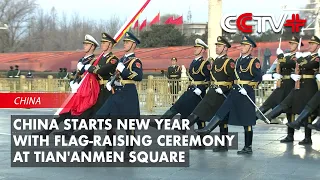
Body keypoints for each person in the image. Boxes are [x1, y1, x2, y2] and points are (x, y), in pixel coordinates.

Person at [195, 35, 262, 155]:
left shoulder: (253, 61)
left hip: (246, 94)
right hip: (235, 91)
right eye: (242, 45)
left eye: (245, 45)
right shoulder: (237, 61)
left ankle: (248, 146)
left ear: (250, 47)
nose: (242, 47)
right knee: (222, 112)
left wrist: (247, 88)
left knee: (247, 121)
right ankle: (208, 129)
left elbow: (258, 78)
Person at [32, 34, 100, 140]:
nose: (84, 46)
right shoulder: (82, 59)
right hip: (78, 89)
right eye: (84, 44)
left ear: (92, 47)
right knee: (66, 112)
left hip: (85, 92)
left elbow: (91, 75)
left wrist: (83, 72)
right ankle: (50, 131)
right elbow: (78, 74)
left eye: (87, 44)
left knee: (74, 113)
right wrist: (75, 81)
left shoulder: (94, 60)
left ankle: (62, 131)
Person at [150, 38, 210, 145]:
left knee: (199, 116)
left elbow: (208, 79)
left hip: (198, 93)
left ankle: (200, 141)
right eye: (195, 47)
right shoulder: (193, 62)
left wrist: (200, 89)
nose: (195, 49)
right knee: (178, 106)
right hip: (191, 90)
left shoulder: (205, 64)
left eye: (197, 48)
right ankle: (161, 122)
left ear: (202, 50)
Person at [95, 32, 142, 159]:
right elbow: (116, 74)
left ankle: (129, 150)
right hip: (118, 91)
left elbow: (138, 77)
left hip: (129, 93)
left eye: (127, 42)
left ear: (133, 44)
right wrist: (112, 82)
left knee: (129, 125)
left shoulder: (135, 61)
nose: (125, 44)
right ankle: (109, 148)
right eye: (125, 42)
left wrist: (124, 70)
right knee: (111, 122)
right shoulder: (122, 60)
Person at [266, 36, 320, 145]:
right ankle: (270, 116)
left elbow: (308, 65)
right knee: (292, 105)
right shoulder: (308, 56)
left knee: (308, 110)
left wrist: (297, 59)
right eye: (310, 44)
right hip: (300, 84)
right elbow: (299, 66)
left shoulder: (316, 58)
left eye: (313, 44)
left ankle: (307, 137)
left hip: (310, 86)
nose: (310, 45)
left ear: (318, 46)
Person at [72, 32, 119, 152]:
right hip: (97, 90)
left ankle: (109, 148)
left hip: (108, 92)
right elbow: (88, 69)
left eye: (104, 43)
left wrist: (89, 68)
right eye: (102, 42)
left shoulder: (113, 59)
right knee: (89, 116)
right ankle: (88, 146)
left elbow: (101, 70)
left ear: (110, 44)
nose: (102, 44)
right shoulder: (99, 58)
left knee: (109, 122)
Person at [188, 36, 234, 151]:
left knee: (222, 120)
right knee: (201, 110)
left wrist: (223, 88)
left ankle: (223, 144)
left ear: (225, 48)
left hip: (222, 93)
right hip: (213, 91)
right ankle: (186, 126)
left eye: (219, 46)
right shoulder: (216, 60)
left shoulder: (229, 62)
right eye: (216, 46)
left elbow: (233, 79)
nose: (216, 48)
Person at [256, 36, 302, 142]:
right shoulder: (285, 56)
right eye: (290, 43)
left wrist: (280, 56)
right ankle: (260, 114)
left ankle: (290, 135)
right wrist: (274, 75)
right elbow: (278, 67)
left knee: (290, 111)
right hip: (283, 83)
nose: (291, 45)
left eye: (293, 44)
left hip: (292, 83)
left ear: (297, 45)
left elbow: (289, 64)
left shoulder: (297, 56)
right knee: (273, 98)